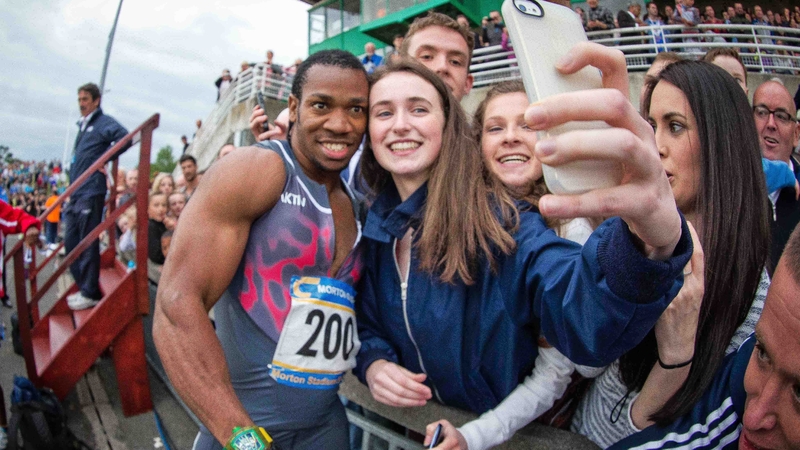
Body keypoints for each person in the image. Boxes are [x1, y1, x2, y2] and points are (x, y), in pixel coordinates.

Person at [354, 52, 691, 448]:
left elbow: (581, 313)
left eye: (418, 109)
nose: (401, 125)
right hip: (416, 431)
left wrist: (645, 239)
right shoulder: (374, 225)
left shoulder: (503, 220)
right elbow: (367, 321)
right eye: (383, 113)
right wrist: (372, 363)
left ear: (448, 125)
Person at [153, 49, 369, 450]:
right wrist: (242, 438)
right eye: (322, 105)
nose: (340, 124)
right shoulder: (259, 169)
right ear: (293, 107)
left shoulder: (353, 203)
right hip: (243, 429)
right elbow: (175, 305)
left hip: (325, 427)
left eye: (356, 110)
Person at [573, 60, 770, 448]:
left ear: (722, 140)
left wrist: (675, 358)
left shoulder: (755, 298)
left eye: (675, 126)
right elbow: (585, 361)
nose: (655, 146)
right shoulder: (630, 232)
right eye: (651, 126)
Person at [611, 222, 800, 449]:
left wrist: (675, 359)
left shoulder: (746, 291)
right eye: (763, 355)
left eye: (799, 392)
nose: (752, 418)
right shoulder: (739, 386)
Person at [66, 82, 129, 311]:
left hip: (91, 190)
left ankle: (90, 291)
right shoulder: (84, 126)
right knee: (71, 242)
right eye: (79, 99)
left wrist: (106, 158)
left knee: (87, 241)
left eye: (85, 99)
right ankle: (84, 287)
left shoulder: (103, 123)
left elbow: (125, 137)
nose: (81, 104)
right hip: (76, 191)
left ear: (96, 100)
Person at [753, 80, 800, 273]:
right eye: (762, 113)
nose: (771, 124)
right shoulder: (722, 190)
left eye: (781, 116)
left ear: (796, 134)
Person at [147, 193, 168, 266]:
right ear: (148, 208)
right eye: (156, 205)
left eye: (164, 205)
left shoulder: (166, 224)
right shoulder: (151, 226)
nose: (161, 209)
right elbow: (155, 255)